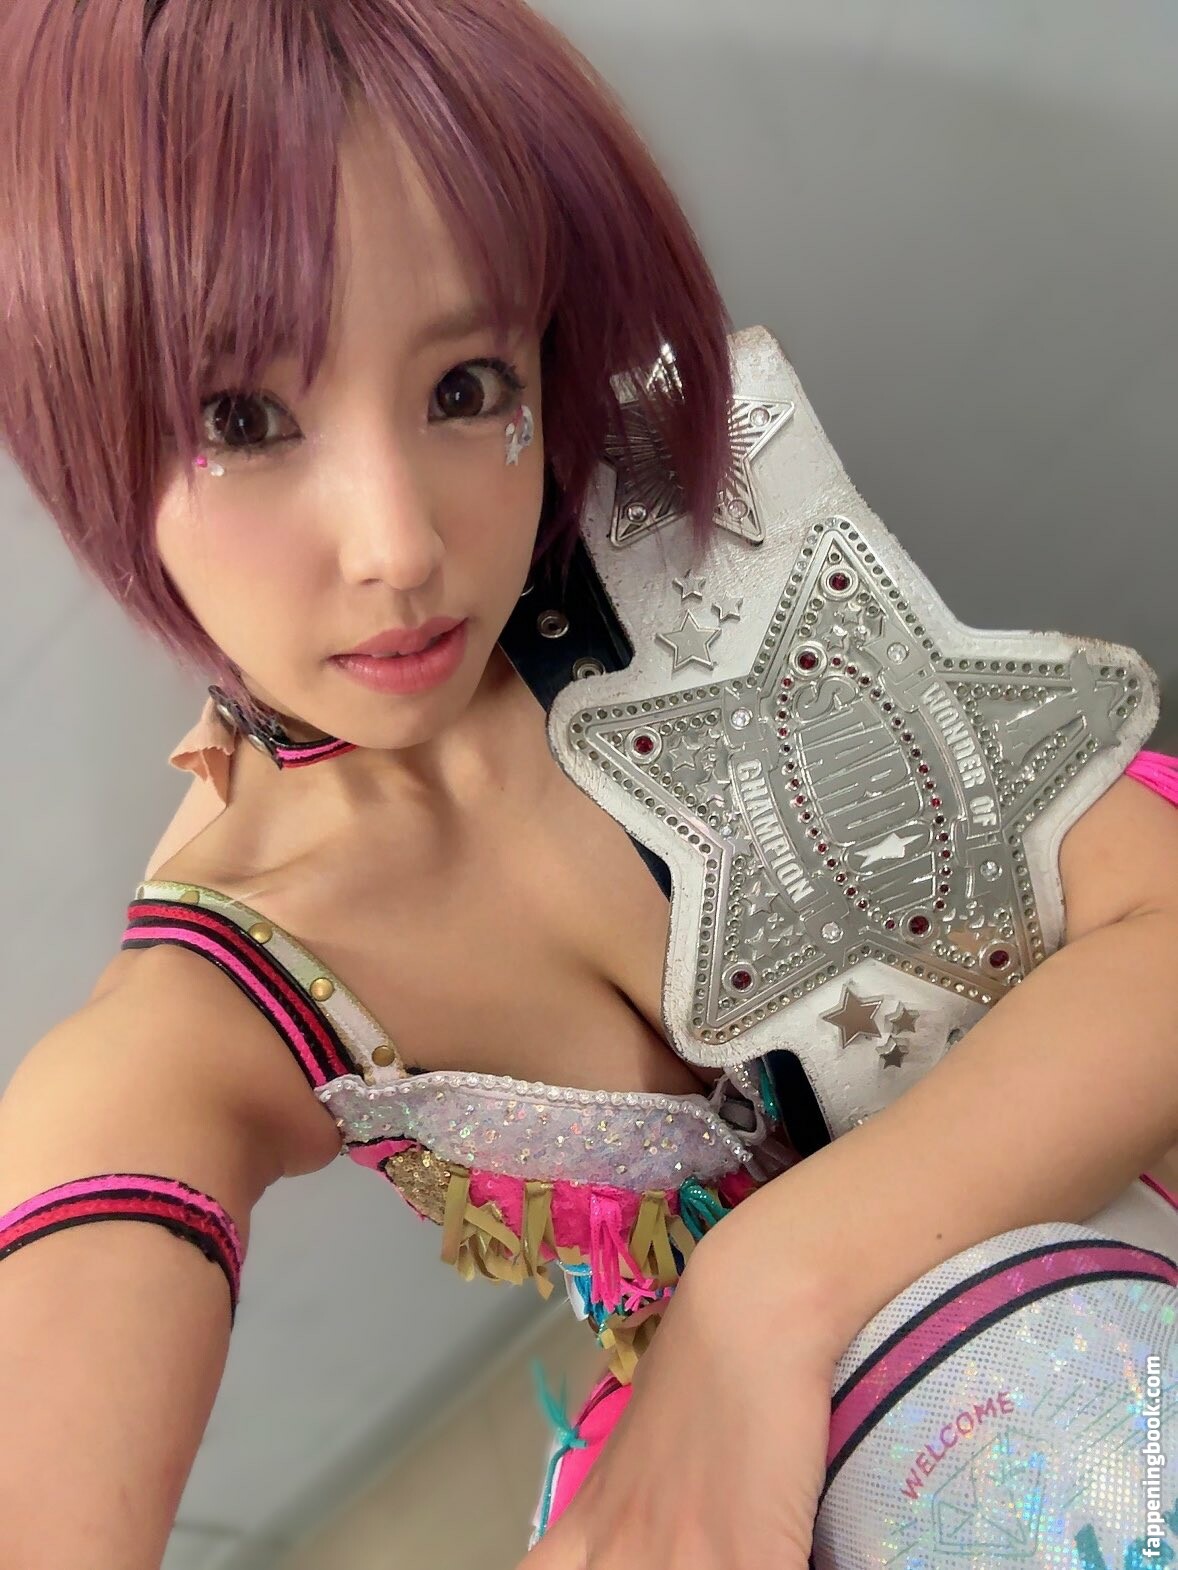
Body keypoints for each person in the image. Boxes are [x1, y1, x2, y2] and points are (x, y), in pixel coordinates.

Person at [0, 4, 1175, 1568]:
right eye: (244, 420)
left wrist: (770, 1288)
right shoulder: (217, 993)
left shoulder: (680, 532)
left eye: (464, 385)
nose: (399, 545)